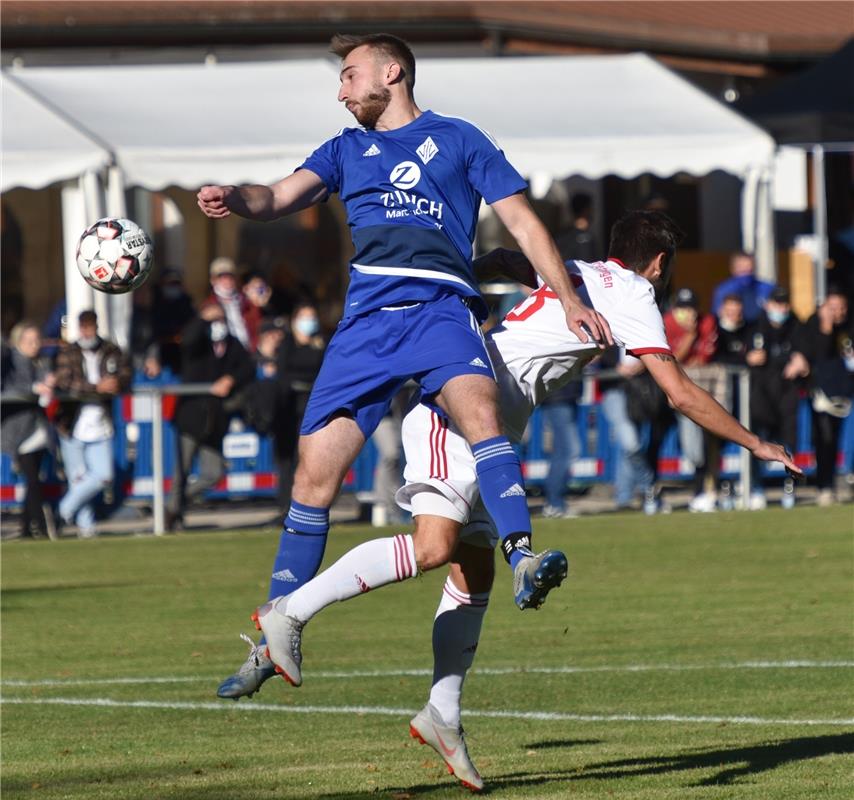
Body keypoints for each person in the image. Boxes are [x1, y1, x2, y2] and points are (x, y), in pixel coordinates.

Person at [244, 211, 800, 791]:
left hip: (489, 435)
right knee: (434, 547)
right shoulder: (635, 293)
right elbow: (681, 392)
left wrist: (467, 277)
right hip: (456, 420)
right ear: (658, 264)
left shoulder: (574, 272)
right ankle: (291, 613)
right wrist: (756, 443)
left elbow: (511, 259)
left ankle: (443, 714)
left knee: (474, 571)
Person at [205, 32, 612, 697]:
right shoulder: (343, 150)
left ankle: (521, 554)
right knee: (313, 480)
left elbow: (524, 222)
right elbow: (277, 195)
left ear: (391, 72)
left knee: (481, 413)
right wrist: (235, 197)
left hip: (440, 310)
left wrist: (566, 299)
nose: (339, 90)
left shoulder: (460, 139)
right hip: (366, 327)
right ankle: (274, 630)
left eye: (348, 74)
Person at [165, 301, 254, 531]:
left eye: (219, 319)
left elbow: (248, 367)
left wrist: (230, 379)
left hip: (215, 420)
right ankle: (173, 516)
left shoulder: (232, 344)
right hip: (190, 417)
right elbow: (188, 339)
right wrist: (203, 319)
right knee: (181, 472)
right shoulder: (198, 343)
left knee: (213, 473)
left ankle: (174, 505)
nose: (217, 324)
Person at [54, 310, 131, 538]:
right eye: (84, 327)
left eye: (91, 326)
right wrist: (95, 388)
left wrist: (116, 383)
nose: (88, 331)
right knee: (78, 477)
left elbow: (126, 373)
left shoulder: (110, 351)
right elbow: (65, 381)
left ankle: (62, 511)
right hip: (72, 424)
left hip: (101, 423)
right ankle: (87, 528)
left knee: (103, 476)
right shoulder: (69, 352)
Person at [746, 286, 809, 509]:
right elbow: (739, 353)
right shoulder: (755, 326)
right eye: (777, 304)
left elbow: (807, 353)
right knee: (757, 442)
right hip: (761, 396)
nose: (780, 309)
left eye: (784, 304)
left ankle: (789, 488)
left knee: (788, 444)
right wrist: (748, 357)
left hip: (786, 396)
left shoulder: (797, 326)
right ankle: (756, 488)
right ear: (768, 304)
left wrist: (802, 361)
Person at [663, 288, 722, 512]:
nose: (687, 313)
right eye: (682, 308)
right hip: (674, 392)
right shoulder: (667, 322)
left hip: (701, 391)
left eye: (690, 308)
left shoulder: (707, 322)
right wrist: (689, 336)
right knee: (688, 445)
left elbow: (704, 357)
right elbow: (673, 359)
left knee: (705, 445)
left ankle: (705, 490)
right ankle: (656, 493)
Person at [0, 322, 57, 540]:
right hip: (18, 428)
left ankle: (26, 528)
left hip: (38, 426)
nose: (35, 345)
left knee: (34, 480)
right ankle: (40, 528)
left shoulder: (42, 361)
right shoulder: (11, 361)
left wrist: (50, 383)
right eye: (30, 341)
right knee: (33, 479)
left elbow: (49, 384)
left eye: (37, 340)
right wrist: (33, 389)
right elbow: (7, 387)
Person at [798, 288, 853, 505]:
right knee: (825, 438)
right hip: (822, 394)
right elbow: (818, 353)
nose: (837, 313)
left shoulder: (849, 326)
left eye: (841, 308)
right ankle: (824, 486)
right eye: (833, 308)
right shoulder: (813, 325)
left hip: (846, 392)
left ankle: (840, 481)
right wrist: (826, 327)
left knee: (841, 440)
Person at [270, 302, 326, 512]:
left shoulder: (321, 344)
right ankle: (285, 506)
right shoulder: (287, 344)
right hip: (289, 408)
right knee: (287, 459)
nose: (309, 322)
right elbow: (282, 374)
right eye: (304, 317)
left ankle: (306, 505)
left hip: (312, 407)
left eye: (312, 316)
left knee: (308, 459)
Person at [539, 379, 582, 518]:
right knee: (568, 451)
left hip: (564, 397)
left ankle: (555, 503)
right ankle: (554, 503)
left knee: (562, 452)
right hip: (558, 397)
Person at [207, 257, 260, 352]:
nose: (227, 281)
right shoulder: (209, 306)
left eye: (230, 277)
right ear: (213, 280)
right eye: (222, 277)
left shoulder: (246, 302)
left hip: (247, 352)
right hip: (224, 356)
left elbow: (256, 326)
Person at [711, 252, 774, 324]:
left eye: (749, 270)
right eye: (742, 270)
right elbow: (717, 316)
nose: (746, 274)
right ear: (733, 269)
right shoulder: (723, 290)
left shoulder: (766, 288)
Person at [554, 192, 598, 263]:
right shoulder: (585, 238)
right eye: (590, 208)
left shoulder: (562, 235)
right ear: (585, 210)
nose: (593, 212)